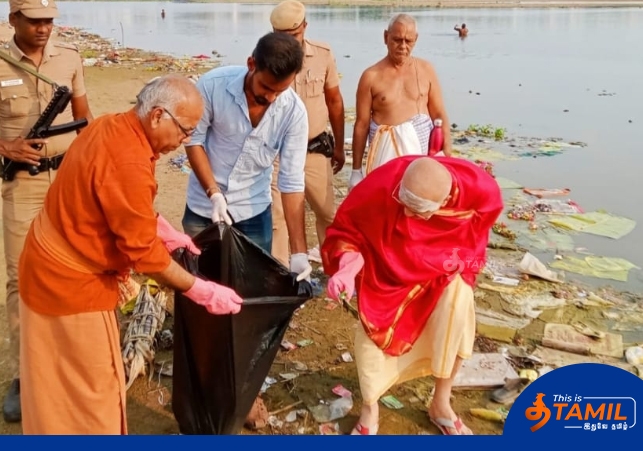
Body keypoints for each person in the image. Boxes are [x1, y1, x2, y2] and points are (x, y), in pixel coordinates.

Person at [17, 74, 244, 434]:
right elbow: (144, 256)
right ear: (157, 116)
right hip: (69, 284)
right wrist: (201, 290)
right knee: (93, 389)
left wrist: (166, 231)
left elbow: (114, 204)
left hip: (47, 259)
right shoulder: (129, 162)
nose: (186, 140)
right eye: (185, 131)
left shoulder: (110, 125)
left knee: (54, 377)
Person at [321, 155, 503, 435]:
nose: (406, 215)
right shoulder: (381, 186)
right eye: (403, 205)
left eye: (417, 212)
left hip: (443, 265)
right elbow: (347, 233)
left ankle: (441, 402)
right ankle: (370, 409)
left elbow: (478, 232)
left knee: (458, 307)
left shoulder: (481, 190)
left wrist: (462, 264)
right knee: (372, 334)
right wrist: (346, 270)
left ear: (444, 203)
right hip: (388, 266)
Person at [0, 0, 94, 423]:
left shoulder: (69, 57)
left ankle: (65, 362)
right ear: (13, 19)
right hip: (21, 183)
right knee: (22, 278)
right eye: (34, 21)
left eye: (49, 21)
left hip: (67, 182)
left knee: (74, 269)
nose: (43, 29)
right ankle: (25, 374)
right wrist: (6, 147)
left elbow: (83, 118)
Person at [182, 32, 312, 282]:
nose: (271, 98)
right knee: (198, 281)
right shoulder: (212, 86)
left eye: (280, 90)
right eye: (266, 87)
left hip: (253, 211)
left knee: (250, 285)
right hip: (203, 207)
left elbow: (292, 181)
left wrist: (298, 252)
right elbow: (194, 140)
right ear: (251, 64)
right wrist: (214, 193)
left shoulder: (294, 113)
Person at [268, 0, 345, 266]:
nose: (289, 43)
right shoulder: (265, 56)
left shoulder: (323, 54)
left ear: (305, 27)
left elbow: (334, 101)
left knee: (326, 212)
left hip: (314, 148)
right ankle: (280, 270)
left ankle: (333, 268)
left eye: (295, 36)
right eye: (283, 38)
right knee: (277, 216)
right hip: (277, 152)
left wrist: (338, 148)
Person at [349, 14, 453, 191]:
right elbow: (361, 124)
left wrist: (447, 154)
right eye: (397, 40)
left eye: (408, 41)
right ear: (385, 37)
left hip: (421, 158)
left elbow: (439, 115)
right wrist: (356, 170)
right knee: (383, 209)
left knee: (419, 209)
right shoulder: (371, 76)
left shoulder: (426, 70)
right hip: (385, 160)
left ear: (416, 40)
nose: (403, 46)